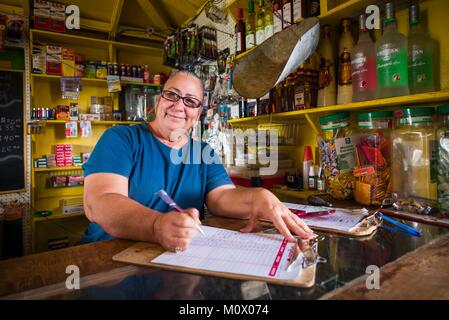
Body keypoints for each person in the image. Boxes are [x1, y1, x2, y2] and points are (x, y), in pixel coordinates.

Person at [81, 70, 315, 252]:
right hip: (108, 257)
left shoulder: (203, 153)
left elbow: (222, 198)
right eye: (172, 95)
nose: (179, 105)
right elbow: (99, 202)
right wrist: (156, 225)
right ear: (159, 100)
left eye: (190, 101)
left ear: (198, 114)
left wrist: (258, 197)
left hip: (176, 257)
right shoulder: (122, 139)